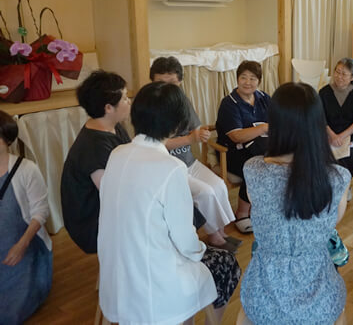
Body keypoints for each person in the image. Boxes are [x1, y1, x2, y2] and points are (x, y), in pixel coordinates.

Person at [98, 82, 240, 325]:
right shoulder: (171, 167)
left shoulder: (117, 153)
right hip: (154, 287)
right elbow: (185, 241)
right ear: (175, 125)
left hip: (115, 278)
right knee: (227, 264)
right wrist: (200, 250)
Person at [239, 82, 350, 324]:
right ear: (317, 124)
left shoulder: (253, 170)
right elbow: (333, 221)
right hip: (320, 298)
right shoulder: (338, 177)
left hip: (263, 297)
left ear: (274, 123)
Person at [150, 57, 237, 251]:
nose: (166, 89)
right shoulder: (149, 108)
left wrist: (200, 134)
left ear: (180, 82)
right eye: (160, 83)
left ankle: (221, 231)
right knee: (206, 193)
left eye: (172, 83)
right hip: (170, 169)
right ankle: (214, 236)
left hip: (189, 162)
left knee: (219, 186)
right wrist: (190, 139)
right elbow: (155, 145)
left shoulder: (182, 101)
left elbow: (196, 127)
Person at [60, 70, 131, 254]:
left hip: (110, 206)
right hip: (92, 222)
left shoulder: (113, 126)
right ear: (108, 108)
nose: (129, 102)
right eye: (125, 98)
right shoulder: (93, 145)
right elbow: (112, 192)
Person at [0, 111, 52, 324]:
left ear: (6, 140)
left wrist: (21, 245)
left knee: (10, 312)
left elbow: (41, 211)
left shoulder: (27, 169)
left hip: (25, 247)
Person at [215, 60, 270, 234]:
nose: (248, 82)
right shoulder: (229, 103)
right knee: (258, 165)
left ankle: (260, 206)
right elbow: (236, 136)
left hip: (261, 148)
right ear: (237, 79)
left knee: (277, 159)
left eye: (253, 78)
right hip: (232, 152)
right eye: (243, 77)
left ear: (259, 81)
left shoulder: (264, 98)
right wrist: (263, 128)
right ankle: (242, 212)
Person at [319, 58, 353, 188]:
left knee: (347, 155)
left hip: (351, 134)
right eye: (337, 72)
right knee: (320, 152)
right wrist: (332, 135)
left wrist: (340, 137)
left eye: (344, 74)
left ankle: (343, 187)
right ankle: (325, 185)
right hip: (328, 132)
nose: (339, 76)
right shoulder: (324, 92)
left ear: (352, 77)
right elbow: (321, 118)